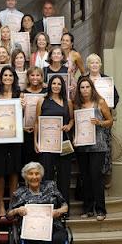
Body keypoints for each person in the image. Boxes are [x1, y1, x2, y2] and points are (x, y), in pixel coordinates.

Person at [74, 77, 113, 221]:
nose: (85, 90)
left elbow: (110, 121)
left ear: (92, 88)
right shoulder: (77, 105)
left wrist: (99, 122)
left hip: (98, 146)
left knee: (96, 176)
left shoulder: (100, 102)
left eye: (87, 87)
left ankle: (101, 210)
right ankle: (88, 209)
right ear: (79, 90)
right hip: (82, 147)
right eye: (82, 87)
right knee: (85, 178)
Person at [34, 75, 74, 207]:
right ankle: (48, 206)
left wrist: (69, 126)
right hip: (46, 144)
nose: (56, 86)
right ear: (50, 84)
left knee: (64, 176)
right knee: (47, 176)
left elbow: (72, 119)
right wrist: (36, 141)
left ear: (62, 86)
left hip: (63, 143)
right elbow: (36, 122)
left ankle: (64, 208)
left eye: (59, 84)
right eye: (54, 83)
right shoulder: (42, 101)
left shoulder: (67, 102)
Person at [0, 66, 23, 217]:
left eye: (10, 75)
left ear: (14, 78)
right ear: (1, 78)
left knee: (14, 171)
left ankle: (13, 205)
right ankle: (0, 204)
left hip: (15, 138)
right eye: (5, 75)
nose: (7, 77)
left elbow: (23, 118)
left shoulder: (19, 94)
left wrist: (23, 108)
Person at [85, 53, 119, 178]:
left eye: (96, 62)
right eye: (91, 62)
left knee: (104, 150)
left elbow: (116, 97)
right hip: (87, 120)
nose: (94, 65)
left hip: (104, 120)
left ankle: (103, 178)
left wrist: (107, 105)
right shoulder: (83, 80)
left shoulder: (107, 80)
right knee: (88, 152)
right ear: (88, 65)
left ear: (100, 64)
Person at [21, 67, 47, 167]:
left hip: (43, 131)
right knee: (28, 159)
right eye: (32, 75)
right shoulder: (23, 93)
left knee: (42, 158)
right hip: (27, 131)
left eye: (37, 75)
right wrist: (23, 127)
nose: (35, 78)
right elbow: (20, 113)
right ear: (28, 77)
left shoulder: (46, 92)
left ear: (41, 77)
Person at [61, 32, 85, 99]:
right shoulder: (57, 53)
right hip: (59, 83)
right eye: (63, 40)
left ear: (71, 43)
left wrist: (79, 84)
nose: (64, 42)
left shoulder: (75, 55)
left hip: (71, 84)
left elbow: (83, 72)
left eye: (67, 40)